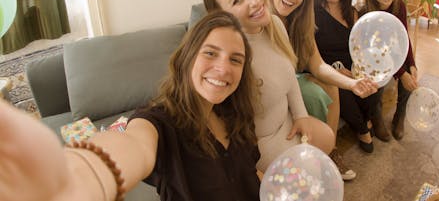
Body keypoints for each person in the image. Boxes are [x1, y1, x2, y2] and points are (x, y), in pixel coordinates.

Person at [0, 11, 262, 201]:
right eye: (210, 53)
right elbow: (134, 147)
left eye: (235, 60)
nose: (223, 68)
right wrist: (80, 174)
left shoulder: (236, 114)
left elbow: (249, 172)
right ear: (187, 57)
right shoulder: (157, 122)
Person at [202, 0, 335, 172]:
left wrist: (301, 115)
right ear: (220, 15)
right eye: (238, 0)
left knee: (328, 138)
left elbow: (290, 76)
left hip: (288, 124)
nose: (255, 1)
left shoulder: (274, 24)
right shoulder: (229, 58)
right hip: (263, 145)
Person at [265, 0, 378, 180]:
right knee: (317, 91)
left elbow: (318, 65)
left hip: (298, 75)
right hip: (276, 82)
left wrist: (353, 83)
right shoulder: (262, 18)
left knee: (332, 85)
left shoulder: (302, 22)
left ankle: (330, 148)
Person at [313, 0, 386, 153]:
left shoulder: (351, 11)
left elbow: (361, 45)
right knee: (342, 89)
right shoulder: (311, 14)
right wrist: (337, 69)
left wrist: (365, 66)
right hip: (328, 67)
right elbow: (312, 55)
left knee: (373, 81)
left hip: (354, 64)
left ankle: (367, 118)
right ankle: (362, 129)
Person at [356, 0, 418, 140]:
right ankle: (376, 118)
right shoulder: (364, 12)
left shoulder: (399, 6)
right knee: (380, 79)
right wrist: (401, 73)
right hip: (372, 57)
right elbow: (372, 51)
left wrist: (411, 65)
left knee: (410, 74)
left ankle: (400, 116)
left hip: (393, 51)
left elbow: (404, 39)